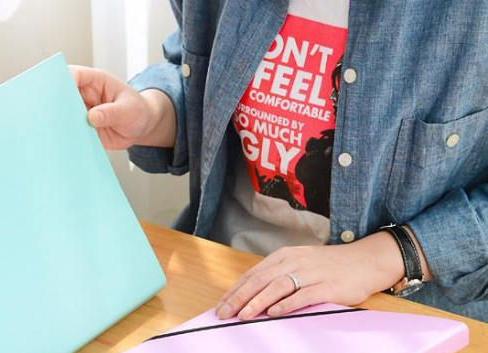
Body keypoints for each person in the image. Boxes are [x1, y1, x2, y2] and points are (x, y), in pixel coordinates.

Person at [71, 1, 488, 322]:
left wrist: (383, 257)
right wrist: (150, 114)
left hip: (402, 317)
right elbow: (198, 78)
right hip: (224, 286)